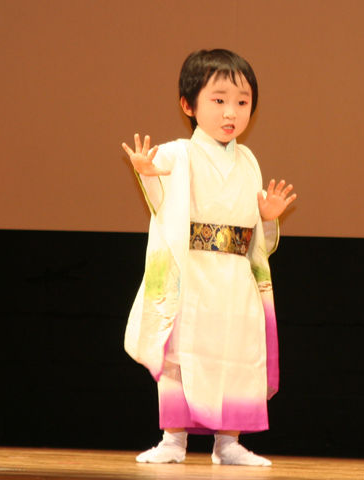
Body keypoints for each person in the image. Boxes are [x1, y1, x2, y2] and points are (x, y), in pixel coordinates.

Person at [121, 48, 296, 466]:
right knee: (181, 355)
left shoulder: (248, 160)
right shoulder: (178, 153)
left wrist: (267, 217)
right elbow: (163, 205)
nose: (231, 112)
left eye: (242, 102)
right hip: (194, 272)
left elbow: (257, 238)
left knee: (236, 354)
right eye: (218, 100)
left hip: (235, 276)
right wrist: (147, 173)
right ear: (188, 104)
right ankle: (173, 439)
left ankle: (228, 442)